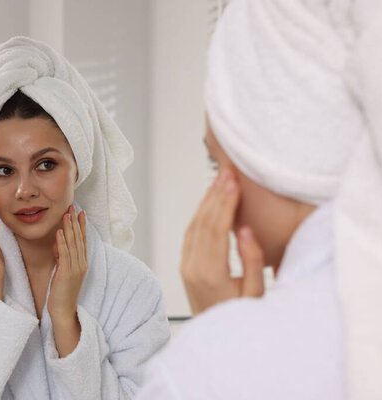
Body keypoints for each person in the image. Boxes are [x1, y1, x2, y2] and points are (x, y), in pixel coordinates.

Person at [0, 37, 170, 400]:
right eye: (4, 170)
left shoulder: (131, 288)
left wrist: (65, 319)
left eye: (45, 164)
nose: (25, 189)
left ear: (79, 167)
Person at [137, 1, 366, 398]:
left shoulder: (207, 366)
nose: (214, 194)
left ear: (266, 152)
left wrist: (221, 338)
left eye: (217, 161)